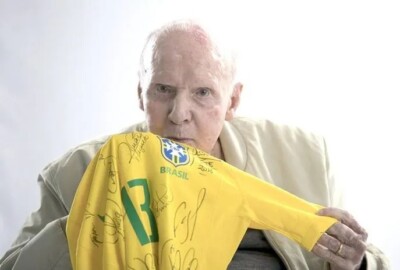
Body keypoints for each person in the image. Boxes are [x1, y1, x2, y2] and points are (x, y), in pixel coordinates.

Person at [0, 19, 389, 270]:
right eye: (163, 90)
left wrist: (354, 265)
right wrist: (90, 222)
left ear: (232, 101)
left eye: (203, 93)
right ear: (141, 93)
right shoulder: (75, 172)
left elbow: (376, 263)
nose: (179, 113)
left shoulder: (305, 156)